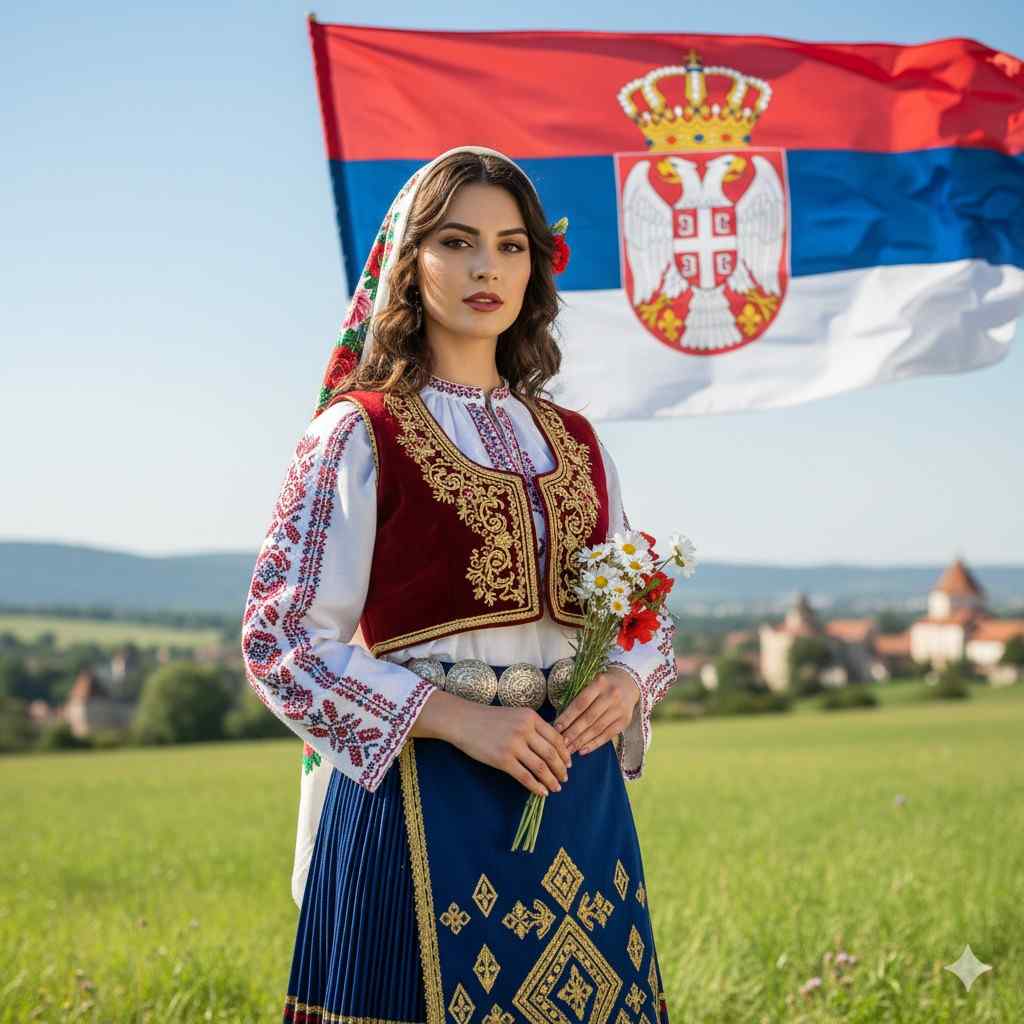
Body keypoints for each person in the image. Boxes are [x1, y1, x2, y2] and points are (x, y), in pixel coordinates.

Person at [240, 144, 679, 1024]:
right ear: (410, 266)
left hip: (574, 804)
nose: (487, 267)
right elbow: (280, 643)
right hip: (416, 797)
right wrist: (458, 720)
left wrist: (628, 682)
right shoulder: (356, 435)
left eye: (512, 244)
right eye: (457, 241)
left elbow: (643, 615)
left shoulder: (579, 440)